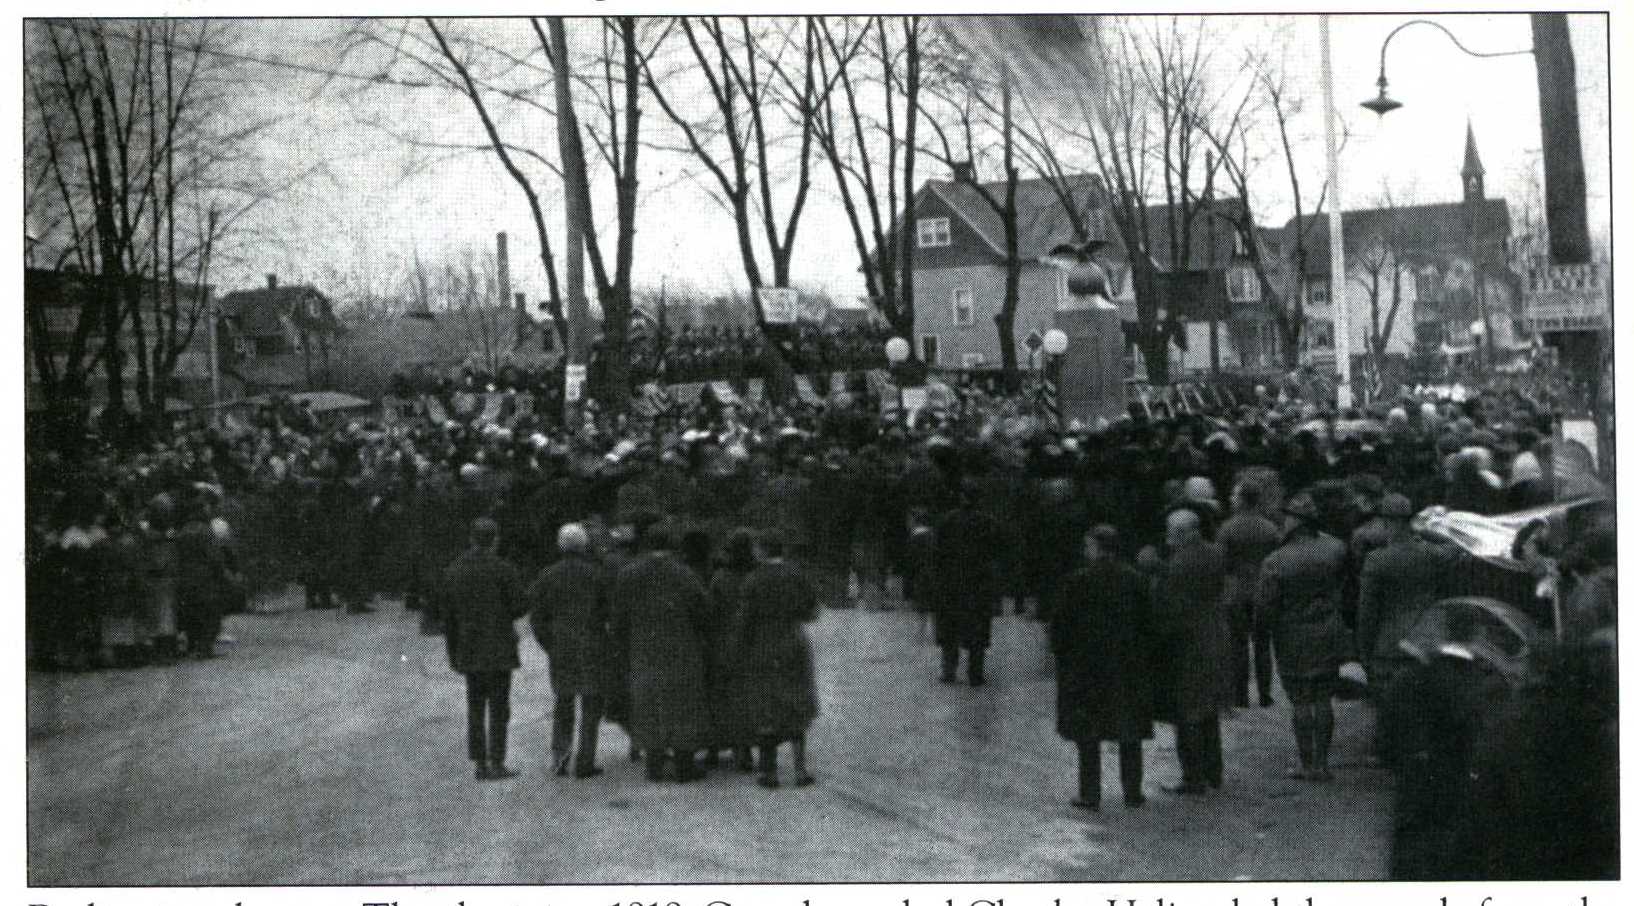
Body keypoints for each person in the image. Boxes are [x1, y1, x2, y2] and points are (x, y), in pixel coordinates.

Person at [1049, 525, 1153, 810]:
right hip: (1127, 664)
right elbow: (1149, 622)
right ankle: (1133, 791)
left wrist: (1062, 656)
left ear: (1097, 547)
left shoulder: (1079, 580)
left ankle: (1090, 793)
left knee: (1088, 732)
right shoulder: (1135, 579)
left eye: (1088, 546)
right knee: (1128, 729)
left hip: (1088, 666)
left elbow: (1061, 625)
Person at [1258, 493, 1351, 781]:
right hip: (1327, 630)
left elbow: (1266, 607)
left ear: (1296, 522)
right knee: (1323, 698)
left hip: (1292, 635)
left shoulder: (1276, 560)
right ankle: (1322, 764)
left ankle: (1306, 762)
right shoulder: (1336, 549)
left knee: (1300, 700)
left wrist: (1263, 635)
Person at [612, 519, 712, 783]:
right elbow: (703, 610)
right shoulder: (684, 573)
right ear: (673, 545)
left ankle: (654, 765)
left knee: (648, 703)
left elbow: (619, 617)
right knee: (682, 705)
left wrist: (623, 647)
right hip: (681, 648)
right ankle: (684, 765)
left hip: (643, 648)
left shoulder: (628, 574)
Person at [1356, 493, 1456, 736]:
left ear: (1386, 522)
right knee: (1424, 702)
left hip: (1389, 643)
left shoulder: (1376, 560)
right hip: (1427, 637)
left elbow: (1367, 611)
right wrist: (1424, 532)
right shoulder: (1433, 554)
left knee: (1390, 704)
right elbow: (1453, 548)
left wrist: (1364, 650)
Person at [438, 516, 527, 781]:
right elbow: (520, 605)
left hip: (469, 646)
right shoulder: (503, 569)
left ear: (471, 539)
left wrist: (452, 652)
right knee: (500, 707)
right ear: (495, 539)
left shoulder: (454, 570)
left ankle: (479, 762)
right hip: (499, 646)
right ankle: (498, 761)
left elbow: (448, 617)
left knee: (475, 706)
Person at [734, 530, 820, 789]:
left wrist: (738, 649)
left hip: (764, 645)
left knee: (767, 707)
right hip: (794, 642)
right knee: (796, 704)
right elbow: (812, 612)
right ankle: (800, 769)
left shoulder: (753, 580)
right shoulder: (798, 574)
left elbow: (745, 621)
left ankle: (769, 772)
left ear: (761, 550)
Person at [1153, 507, 1228, 795]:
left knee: (1187, 711)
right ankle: (1214, 771)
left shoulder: (1177, 565)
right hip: (1216, 636)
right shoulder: (1217, 553)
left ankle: (1192, 776)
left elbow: (1170, 610)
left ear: (1181, 534)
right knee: (1209, 708)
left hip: (1188, 643)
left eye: (1171, 534)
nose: (1168, 539)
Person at [527, 522, 610, 779]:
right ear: (584, 545)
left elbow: (537, 616)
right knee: (591, 703)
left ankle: (560, 757)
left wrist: (548, 644)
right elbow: (608, 611)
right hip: (591, 644)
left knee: (563, 702)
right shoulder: (596, 574)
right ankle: (586, 760)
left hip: (561, 646)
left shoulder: (547, 575)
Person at [1215, 476, 1283, 708]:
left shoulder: (1227, 528)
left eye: (1235, 495)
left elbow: (1221, 561)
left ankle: (1240, 695)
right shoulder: (1270, 527)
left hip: (1236, 590)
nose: (1232, 499)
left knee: (1238, 644)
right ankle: (1265, 694)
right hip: (1263, 589)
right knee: (1263, 644)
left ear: (1243, 499)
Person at [932, 490, 1004, 686]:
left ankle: (948, 671)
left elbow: (937, 552)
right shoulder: (989, 522)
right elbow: (997, 552)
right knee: (977, 629)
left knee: (950, 628)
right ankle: (975, 673)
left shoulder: (946, 520)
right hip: (978, 582)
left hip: (951, 581)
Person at [704, 529, 758, 773]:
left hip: (724, 644)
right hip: (751, 645)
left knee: (721, 697)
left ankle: (715, 749)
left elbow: (711, 612)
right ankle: (744, 750)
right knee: (747, 698)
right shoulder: (756, 575)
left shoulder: (720, 578)